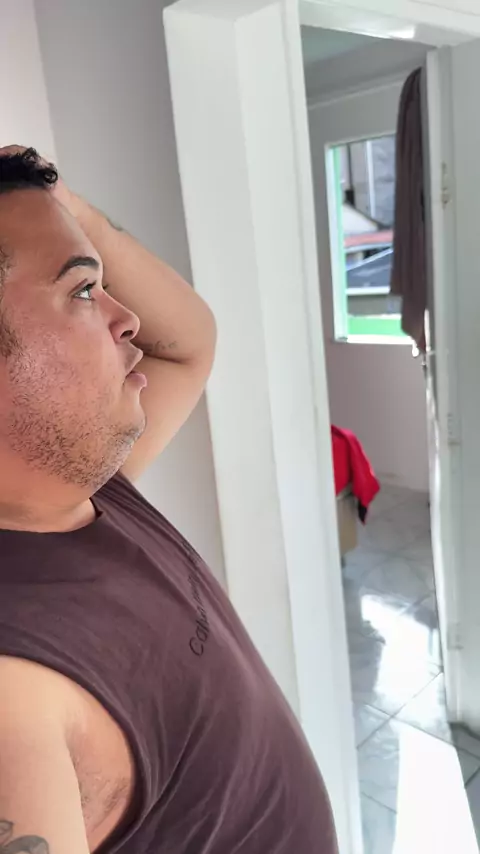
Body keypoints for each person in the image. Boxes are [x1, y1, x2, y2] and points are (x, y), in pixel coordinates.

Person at [0, 147, 338, 854]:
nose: (128, 318)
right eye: (84, 291)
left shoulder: (87, 485)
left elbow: (189, 344)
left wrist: (68, 208)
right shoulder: (15, 696)